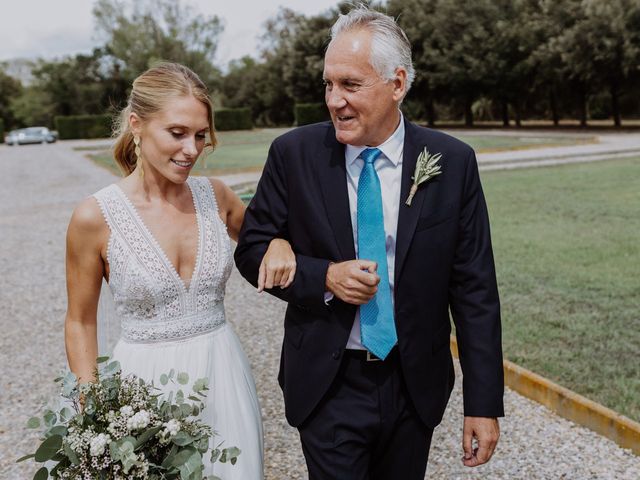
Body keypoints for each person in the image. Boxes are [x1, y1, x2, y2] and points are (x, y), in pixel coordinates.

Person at [235, 6, 504, 479]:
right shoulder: (293, 155)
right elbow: (252, 247)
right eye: (328, 84)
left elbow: (475, 290)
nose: (334, 101)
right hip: (328, 383)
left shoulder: (453, 162)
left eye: (350, 85)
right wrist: (323, 276)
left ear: (397, 84)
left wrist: (483, 404)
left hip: (414, 384)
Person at [64, 62, 296, 480]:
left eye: (200, 135)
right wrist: (94, 409)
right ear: (137, 125)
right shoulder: (93, 217)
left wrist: (279, 241)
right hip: (141, 390)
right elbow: (80, 321)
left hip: (223, 378)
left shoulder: (217, 196)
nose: (192, 149)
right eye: (177, 133)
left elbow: (264, 240)